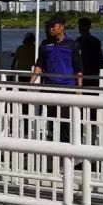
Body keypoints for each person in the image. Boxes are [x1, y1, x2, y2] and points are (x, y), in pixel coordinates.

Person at [31, 14, 83, 145]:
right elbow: (39, 64)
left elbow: (78, 68)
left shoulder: (72, 45)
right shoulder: (45, 44)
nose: (51, 29)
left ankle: (67, 145)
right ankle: (53, 145)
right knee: (51, 118)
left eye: (53, 26)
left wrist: (79, 88)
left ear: (62, 27)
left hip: (67, 87)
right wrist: (30, 82)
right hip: (49, 86)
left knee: (65, 119)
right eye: (49, 26)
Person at [76, 18, 103, 86]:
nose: (79, 28)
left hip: (87, 73)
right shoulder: (95, 41)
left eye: (80, 26)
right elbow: (100, 60)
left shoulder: (78, 41)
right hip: (91, 73)